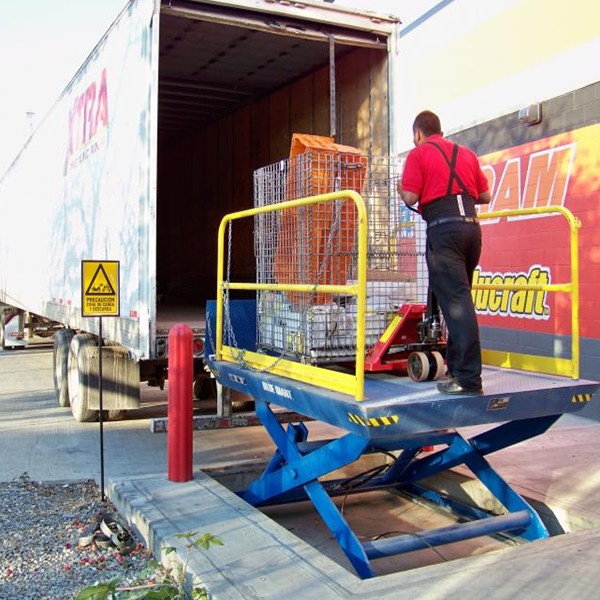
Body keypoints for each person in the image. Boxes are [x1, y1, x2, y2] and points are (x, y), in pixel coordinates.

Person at [398, 110, 491, 395]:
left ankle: (468, 380)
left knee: (457, 305)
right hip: (471, 232)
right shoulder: (466, 154)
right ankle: (455, 368)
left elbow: (412, 197)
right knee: (457, 303)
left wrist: (400, 190)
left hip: (444, 230)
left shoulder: (418, 154)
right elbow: (485, 196)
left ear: (417, 134)